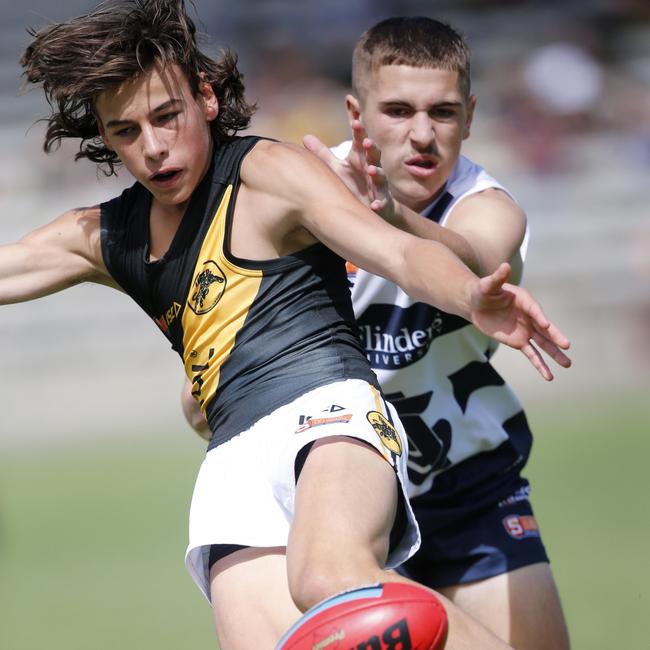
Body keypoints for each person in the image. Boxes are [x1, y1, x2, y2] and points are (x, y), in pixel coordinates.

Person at [5, 2, 571, 649]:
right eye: (127, 131)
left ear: (207, 100)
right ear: (106, 138)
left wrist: (471, 293)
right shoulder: (111, 234)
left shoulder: (269, 173)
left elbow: (404, 254)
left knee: (327, 577)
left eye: (167, 116)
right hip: (234, 456)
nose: (155, 146)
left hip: (347, 422)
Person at [184, 15, 572, 650]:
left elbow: (475, 254)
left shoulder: (487, 202)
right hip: (335, 501)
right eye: (397, 110)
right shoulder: (298, 198)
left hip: (466, 489)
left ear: (470, 116)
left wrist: (387, 216)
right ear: (356, 113)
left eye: (443, 112)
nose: (423, 135)